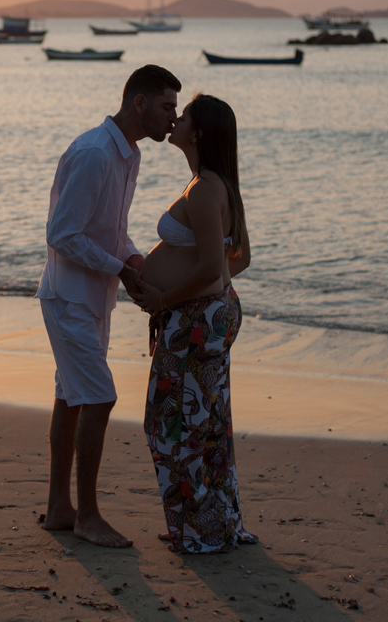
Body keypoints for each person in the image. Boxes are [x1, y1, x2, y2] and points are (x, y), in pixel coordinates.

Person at [37, 64, 181, 548]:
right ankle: (88, 516)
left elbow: (108, 230)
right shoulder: (96, 153)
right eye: (166, 107)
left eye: (175, 109)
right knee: (98, 397)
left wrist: (132, 257)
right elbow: (61, 234)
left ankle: (61, 507)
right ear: (138, 103)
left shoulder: (128, 154)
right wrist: (119, 269)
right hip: (70, 297)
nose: (173, 118)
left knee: (73, 395)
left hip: (91, 298)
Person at [132, 93, 257, 553]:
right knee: (207, 424)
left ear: (198, 132)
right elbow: (236, 260)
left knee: (170, 424)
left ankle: (201, 530)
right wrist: (210, 291)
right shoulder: (213, 183)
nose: (176, 118)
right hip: (208, 314)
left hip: (195, 319)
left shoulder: (205, 189)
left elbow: (212, 267)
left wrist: (168, 297)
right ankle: (215, 523)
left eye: (183, 115)